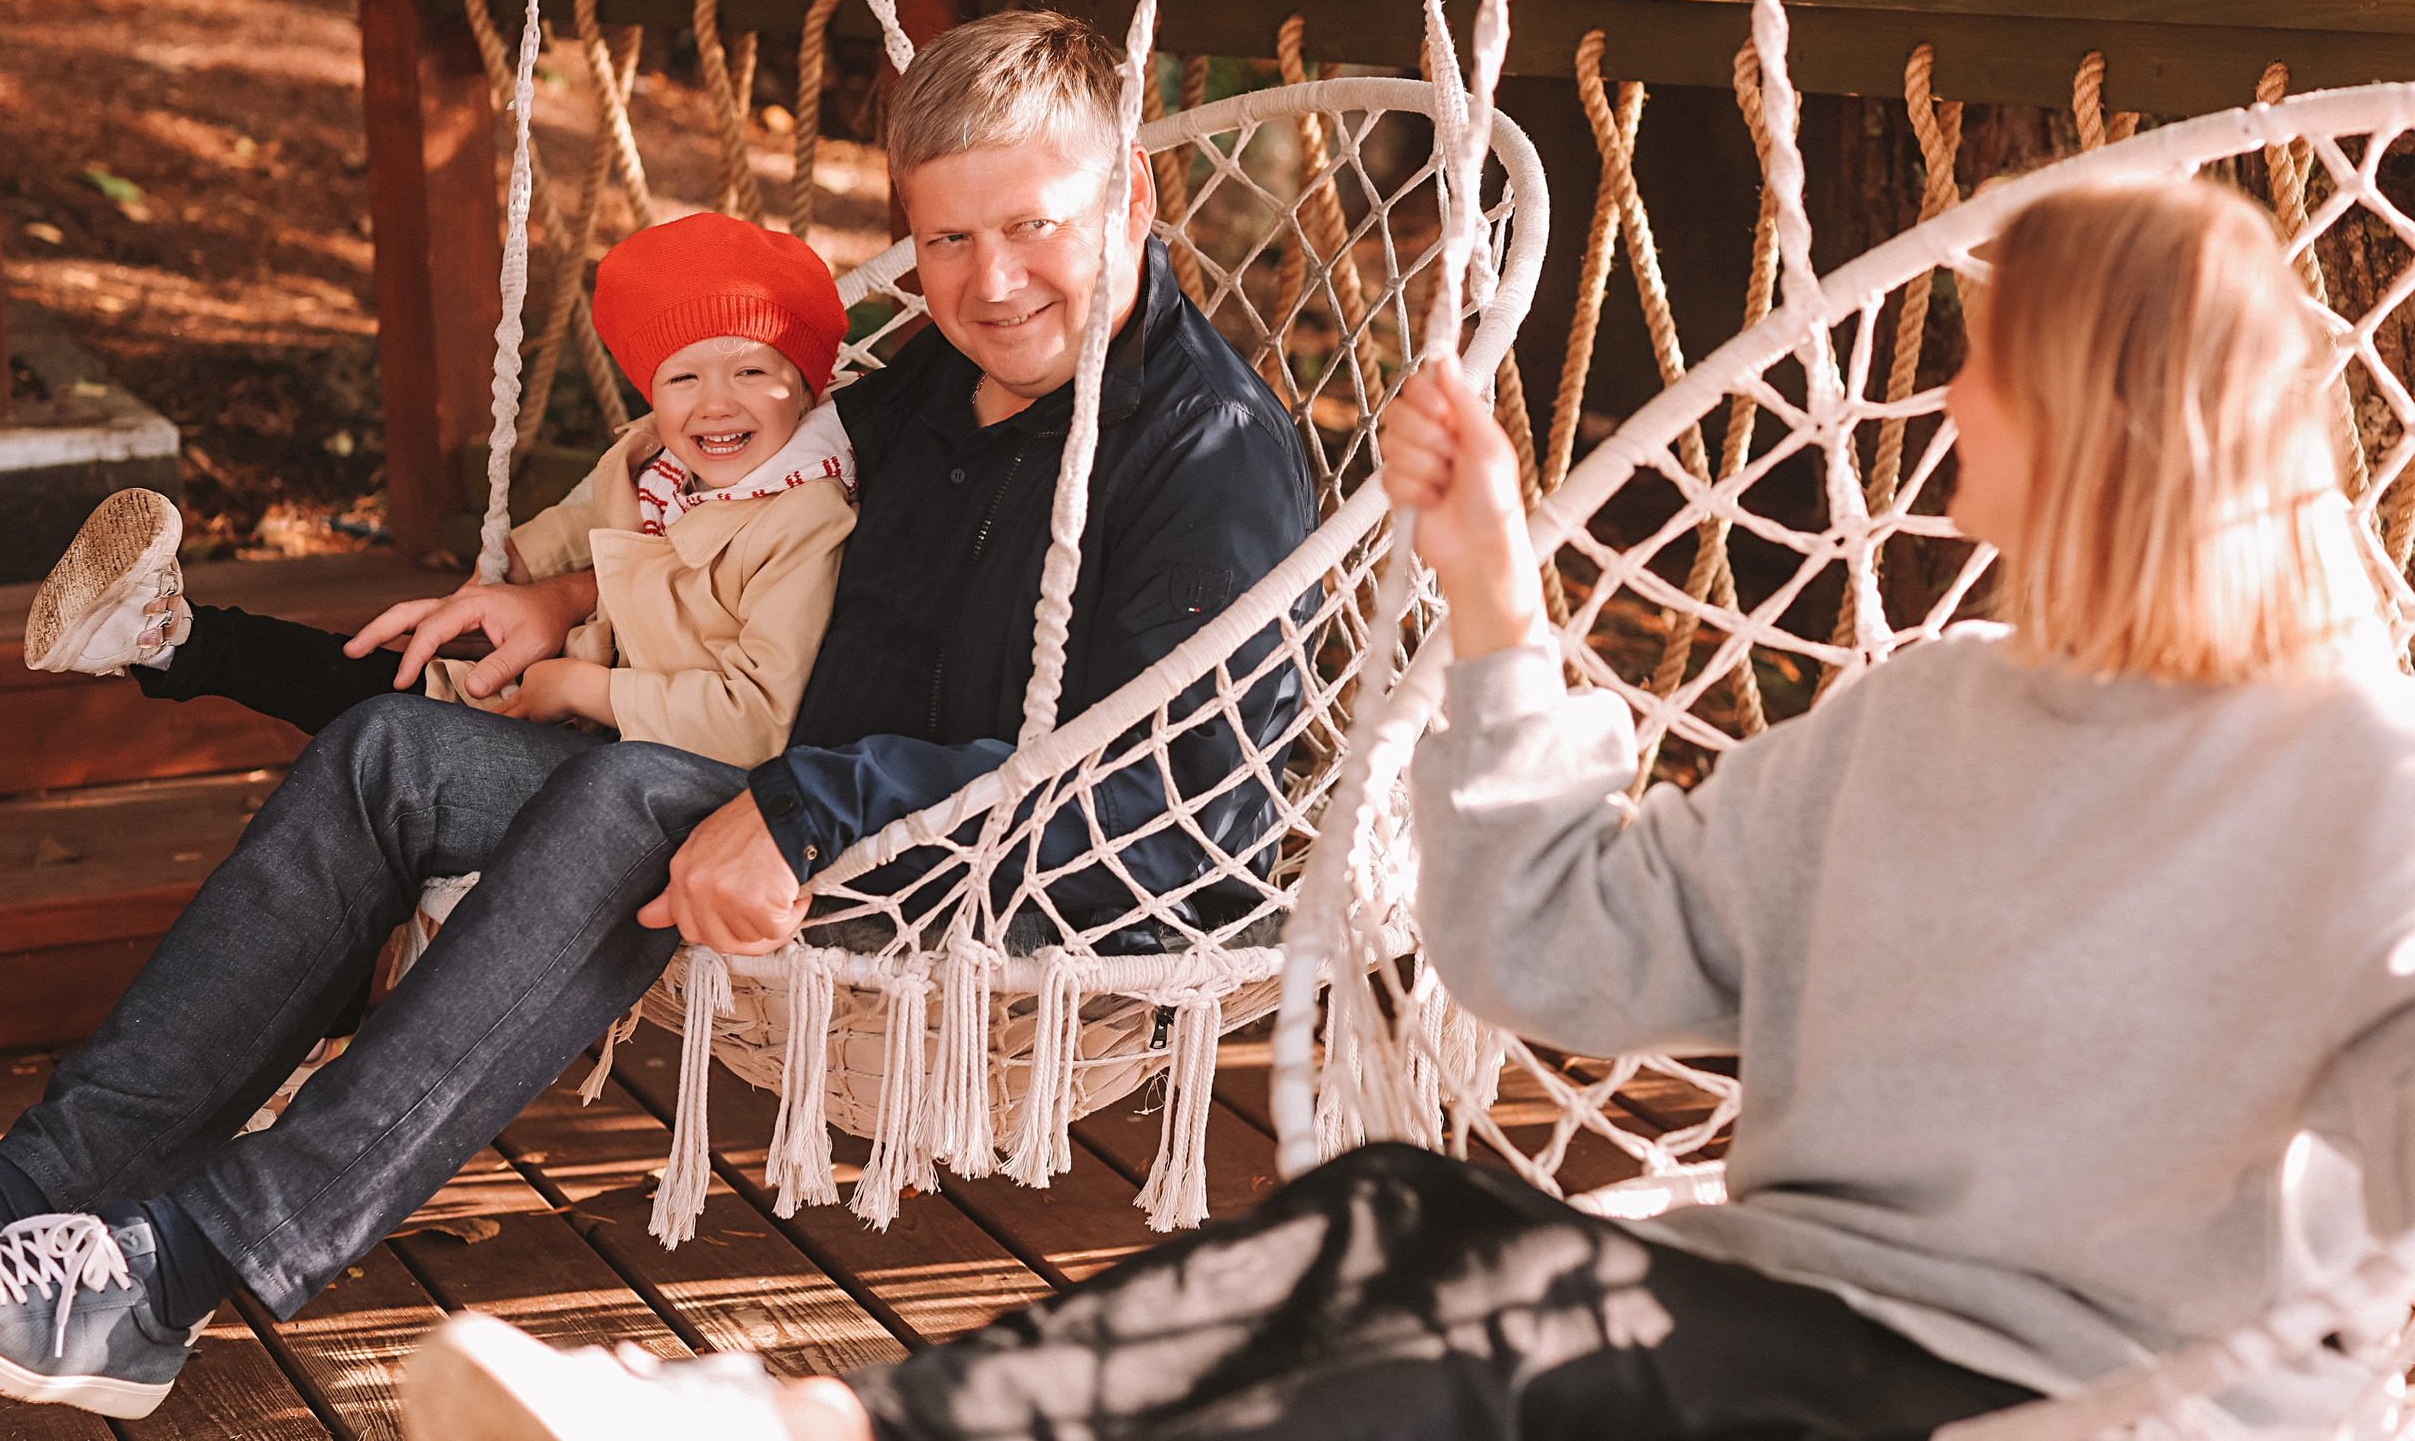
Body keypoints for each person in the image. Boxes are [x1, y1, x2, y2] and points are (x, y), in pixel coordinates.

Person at [394, 176, 2415, 1441]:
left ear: (2089, 416)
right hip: (1780, 1285)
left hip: (2048, 1379)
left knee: (1474, 1353)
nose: (1944, 401)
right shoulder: (1909, 722)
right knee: (1392, 1216)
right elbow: (1558, 948)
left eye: (1981, 366)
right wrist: (1492, 613)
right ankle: (818, 1428)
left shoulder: (2359, 783)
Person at [0, 8, 1314, 1419]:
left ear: (1133, 190)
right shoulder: (942, 377)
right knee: (389, 754)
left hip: (981, 872)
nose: (991, 280)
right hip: (780, 784)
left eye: (1036, 224)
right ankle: (31, 1186)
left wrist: (811, 808)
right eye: (946, 237)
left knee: (618, 800)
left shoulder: (1210, 456)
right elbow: (732, 495)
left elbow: (1180, 811)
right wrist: (556, 604)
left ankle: (167, 1275)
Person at [22, 209, 858, 768]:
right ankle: (165, 636)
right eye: (682, 378)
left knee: (385, 755)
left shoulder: (808, 514)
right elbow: (569, 532)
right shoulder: (646, 460)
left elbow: (758, 717)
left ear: (807, 386)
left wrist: (583, 687)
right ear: (650, 392)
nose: (717, 403)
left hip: (651, 765)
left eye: (752, 370)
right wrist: (493, 588)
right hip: (562, 700)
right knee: (364, 692)